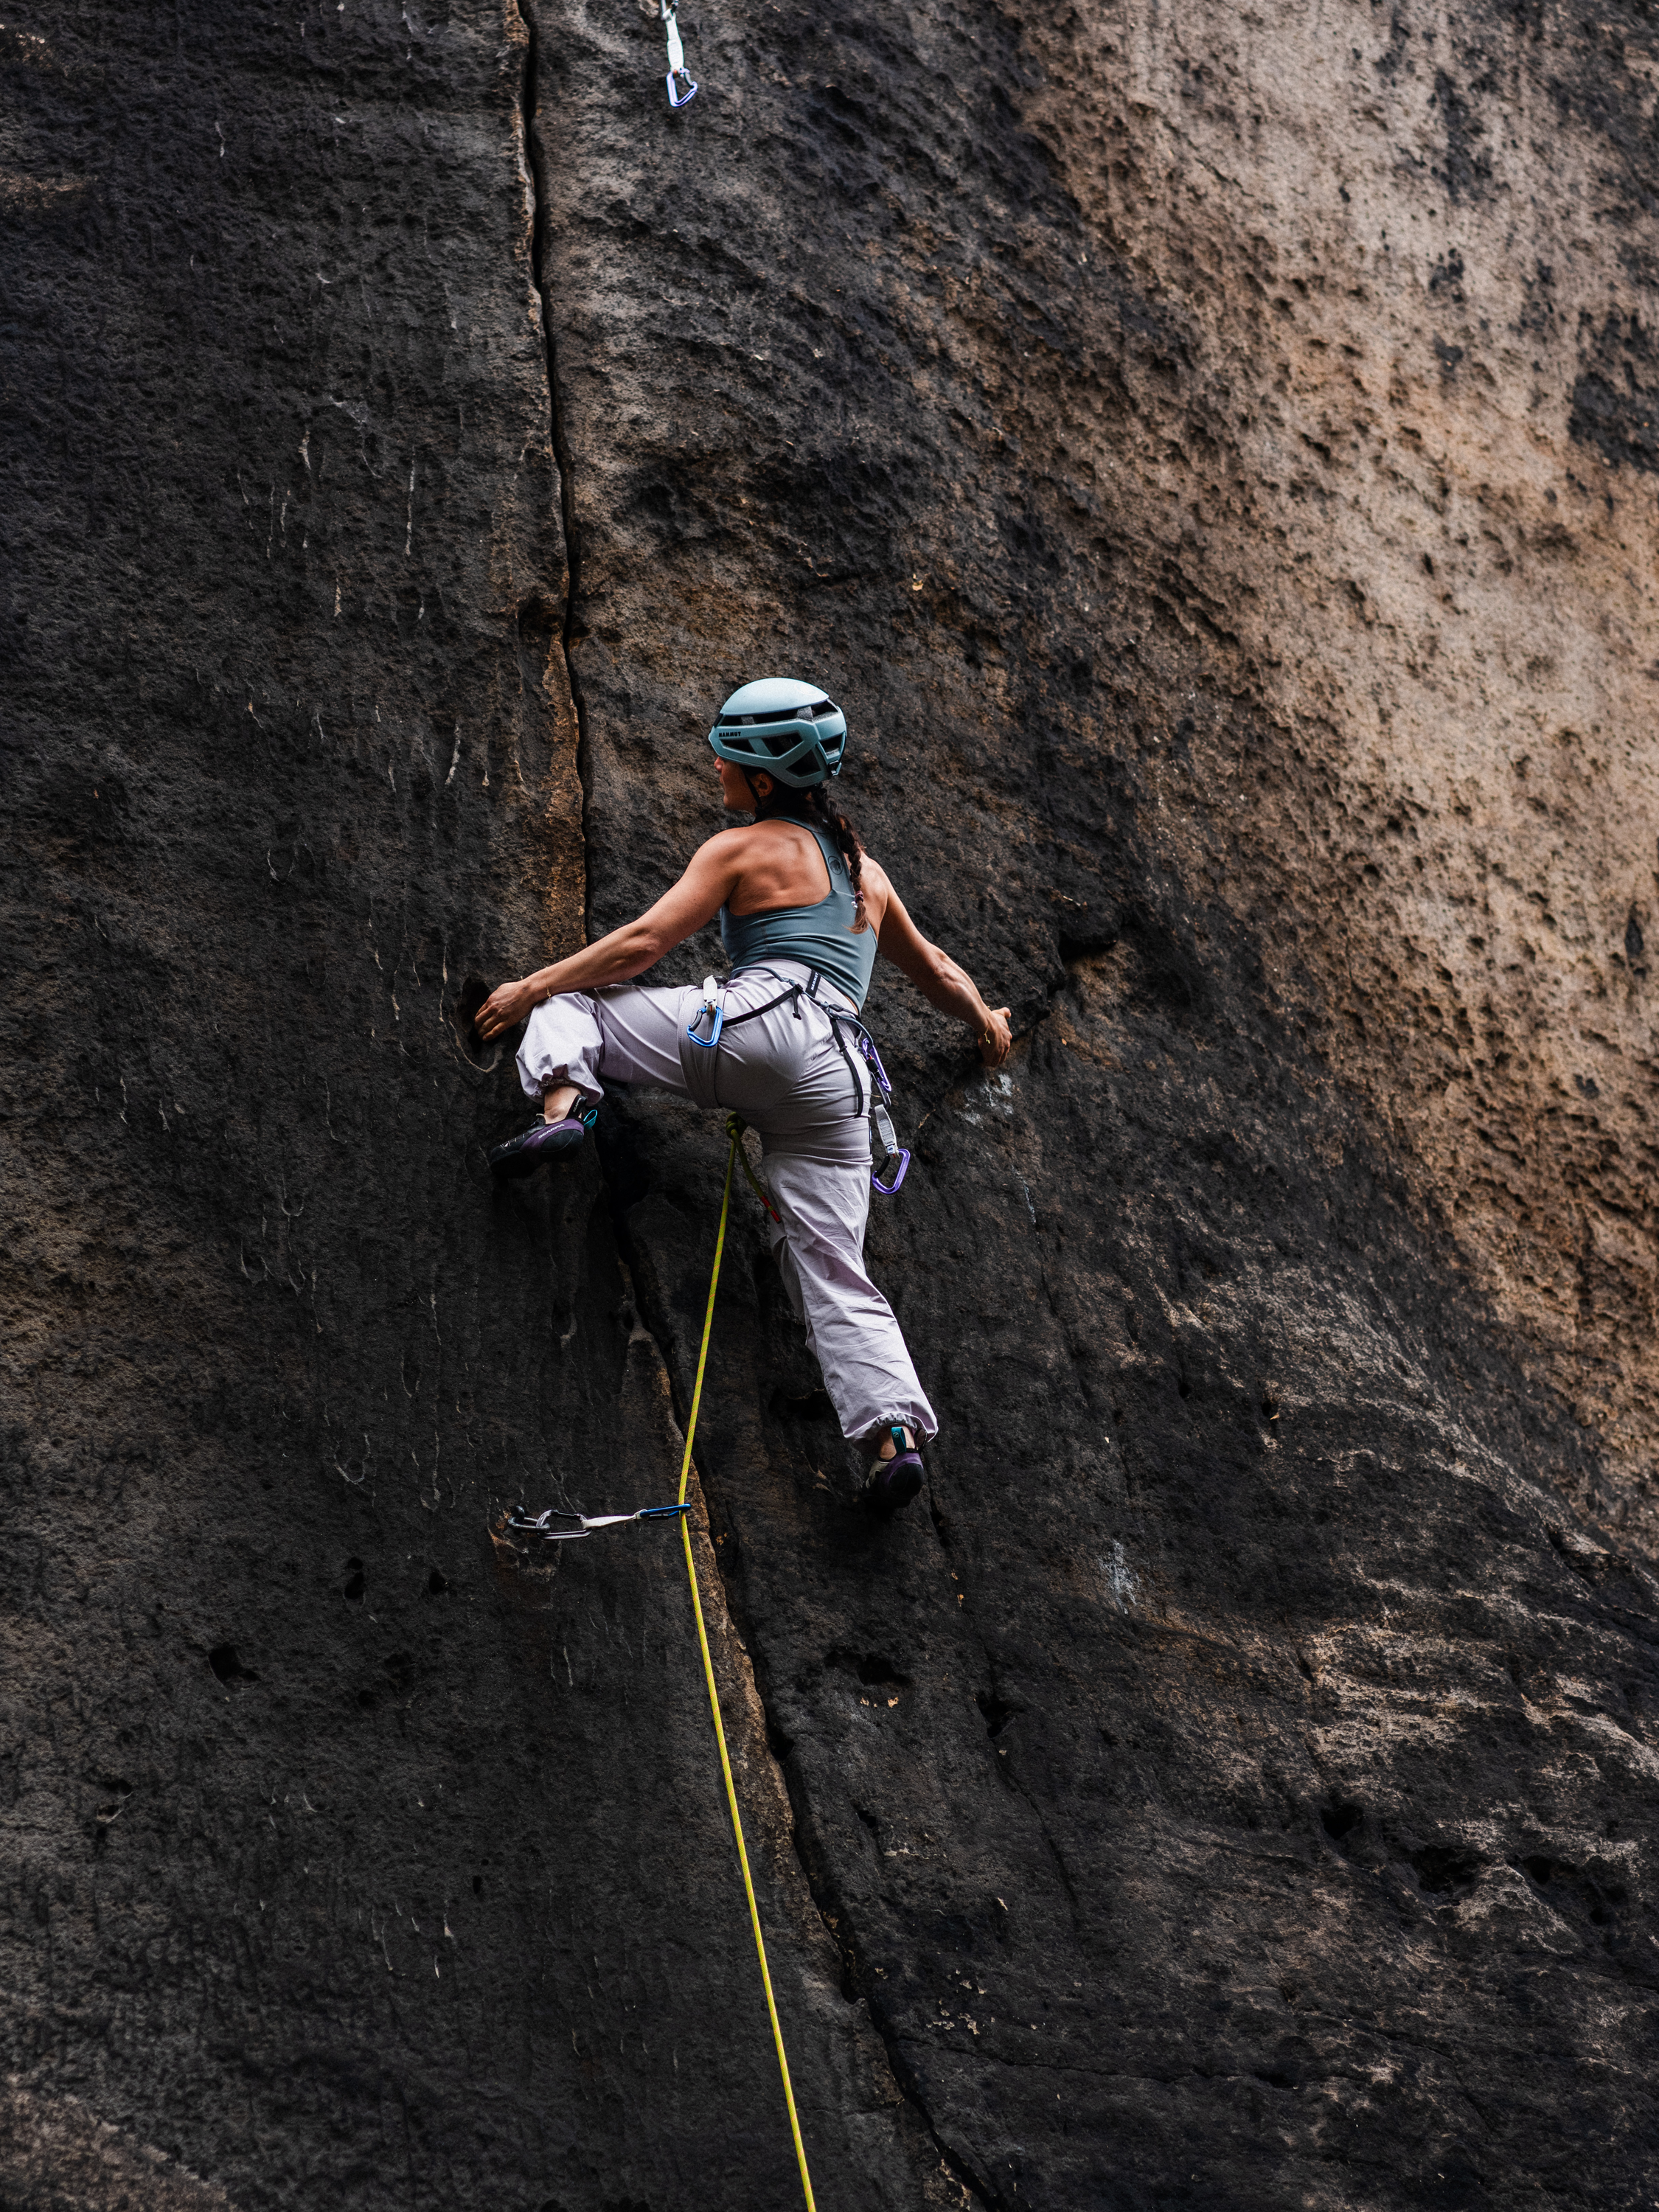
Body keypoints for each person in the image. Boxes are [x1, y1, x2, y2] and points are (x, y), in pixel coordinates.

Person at [473, 678, 1011, 1517]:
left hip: (757, 1029)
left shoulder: (741, 848)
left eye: (725, 754)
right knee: (835, 1268)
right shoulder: (865, 873)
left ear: (762, 779)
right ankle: (890, 1439)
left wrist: (527, 987)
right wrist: (987, 1020)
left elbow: (644, 944)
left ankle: (568, 1106)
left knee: (569, 1007)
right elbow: (937, 971)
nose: (715, 765)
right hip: (841, 1082)